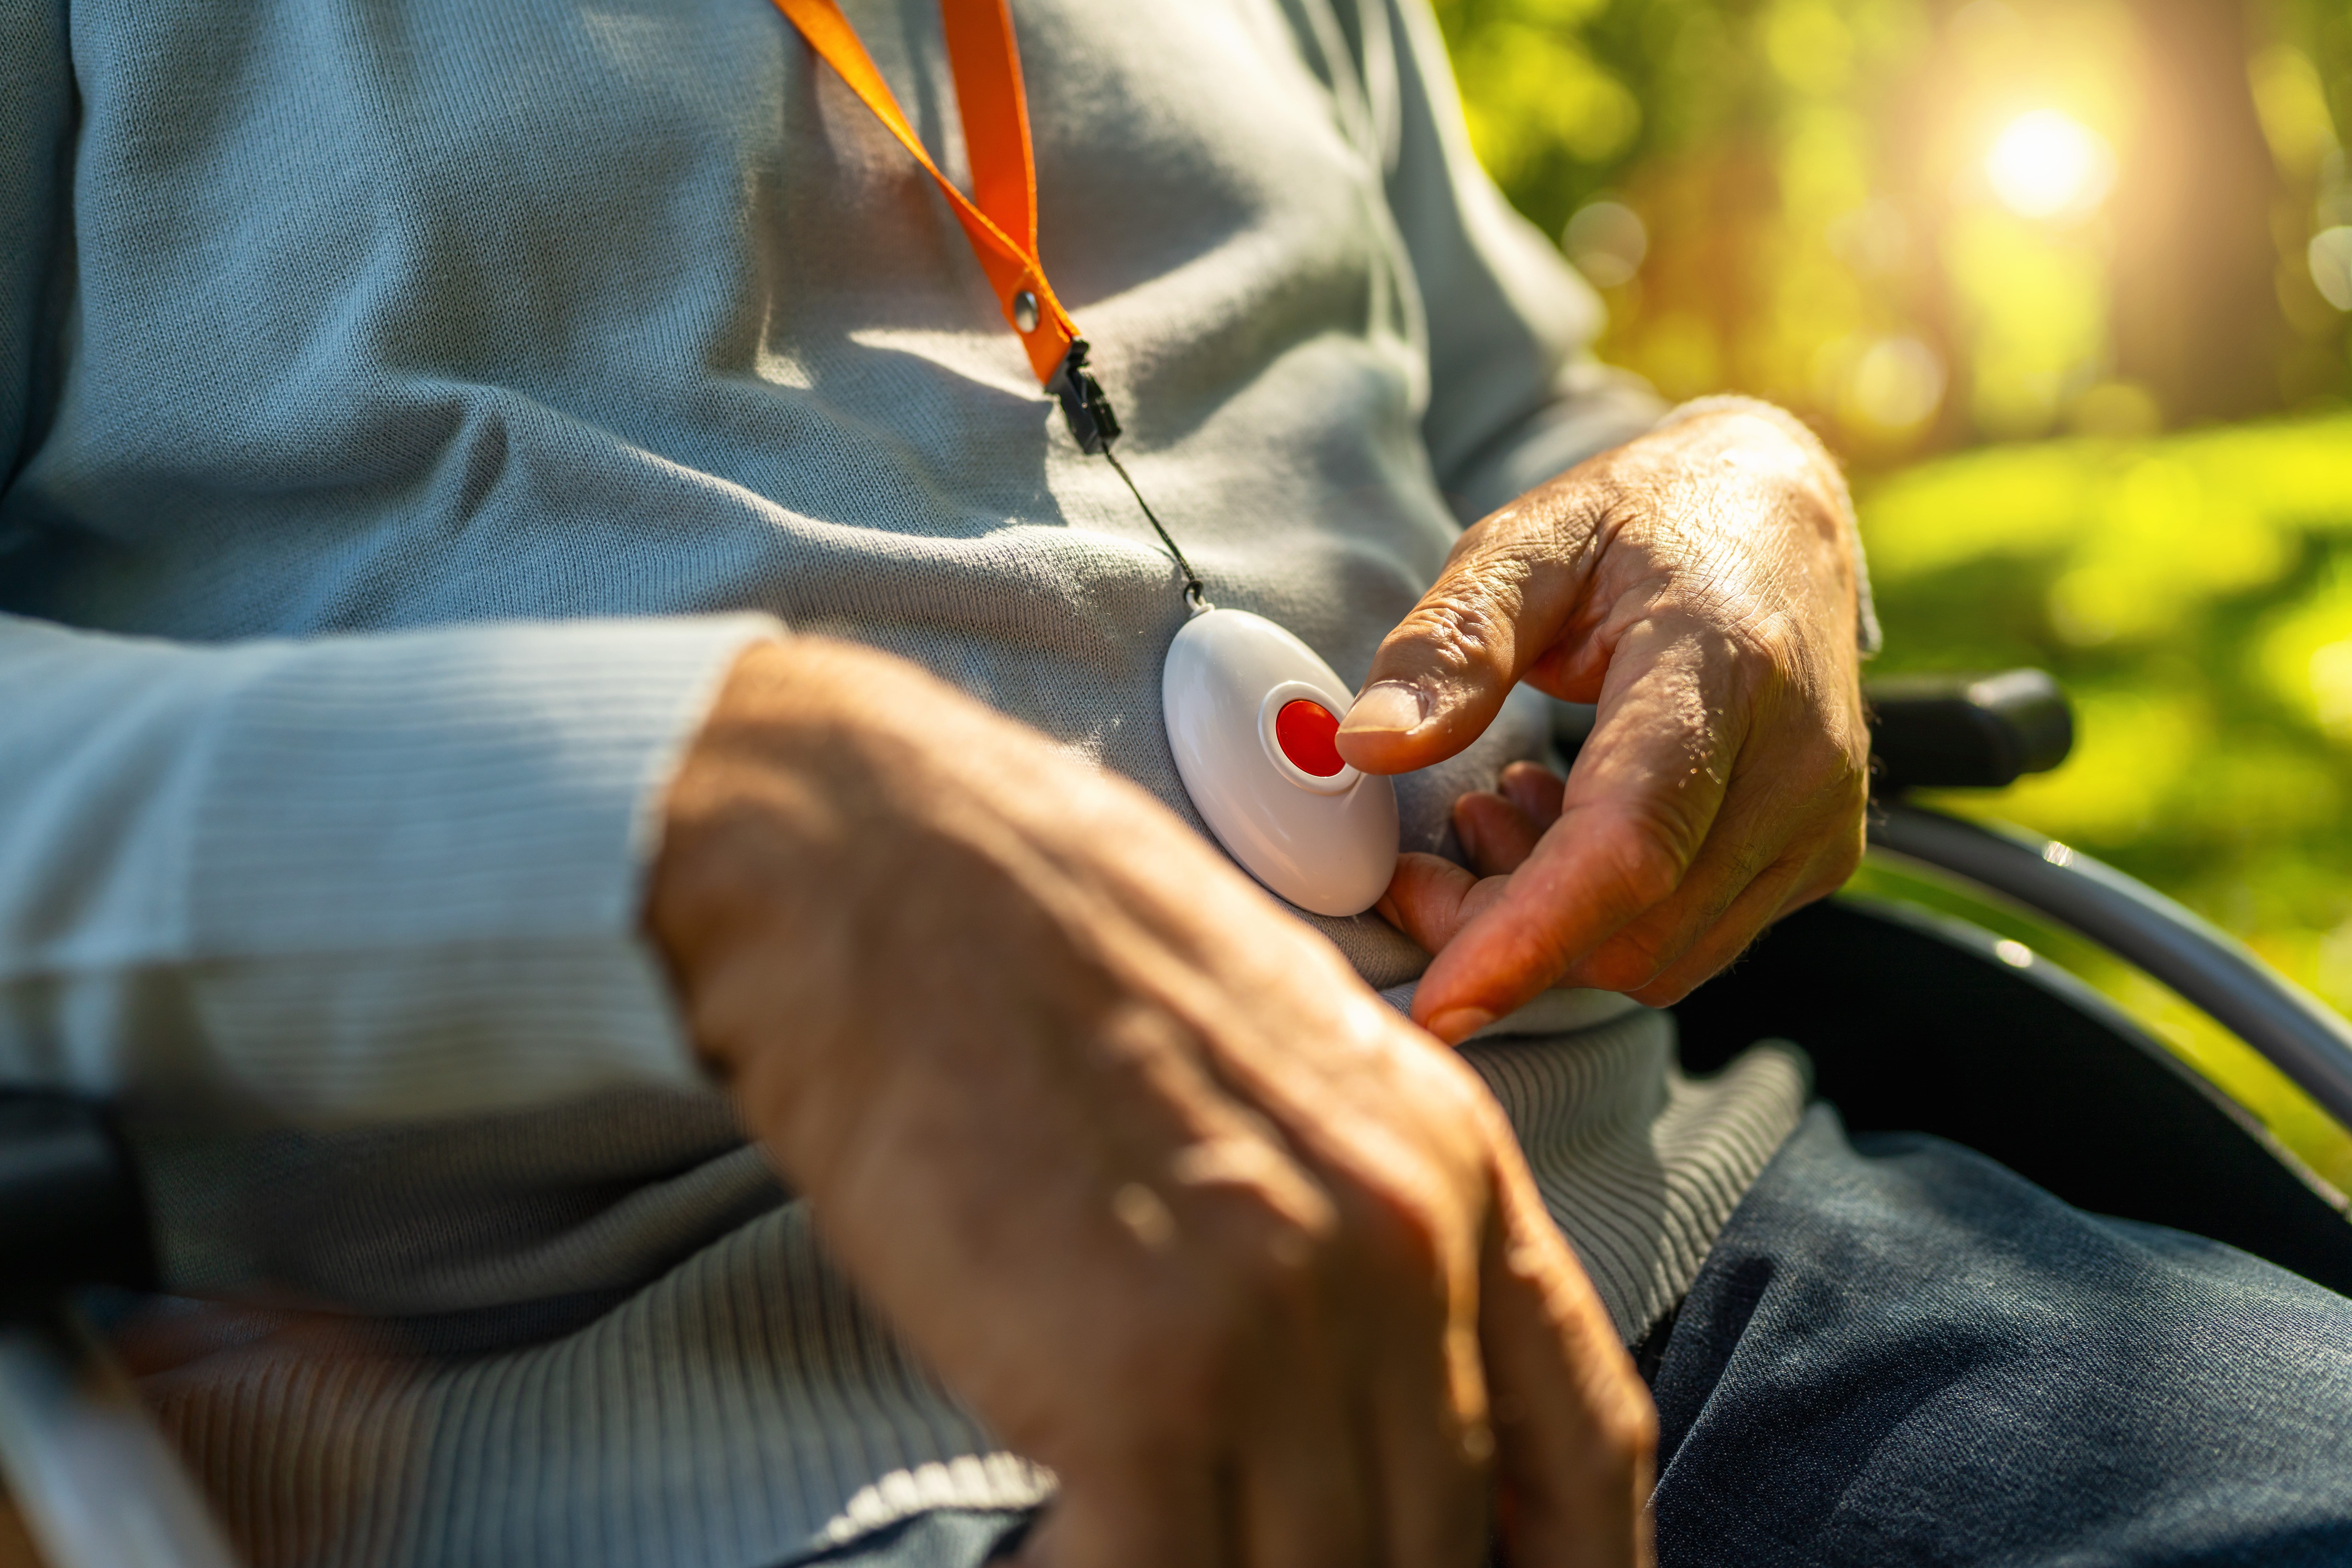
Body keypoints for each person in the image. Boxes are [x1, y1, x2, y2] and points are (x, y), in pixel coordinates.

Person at [3, 2, 2349, 1566]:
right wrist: (705, 832)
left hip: (1697, 1263)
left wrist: (1742, 492)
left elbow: (1513, 410)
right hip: (729, 1464)